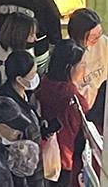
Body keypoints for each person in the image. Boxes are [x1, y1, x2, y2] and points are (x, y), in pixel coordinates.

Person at [36, 39, 87, 183]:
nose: (84, 69)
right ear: (69, 68)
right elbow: (85, 119)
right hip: (65, 158)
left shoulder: (45, 82)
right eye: (81, 65)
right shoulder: (69, 94)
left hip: (48, 156)